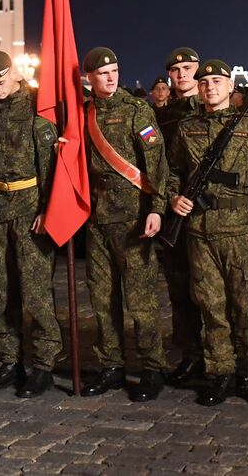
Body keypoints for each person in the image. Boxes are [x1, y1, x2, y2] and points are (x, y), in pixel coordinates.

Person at [166, 59, 248, 408]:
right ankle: (222, 372)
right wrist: (174, 197)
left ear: (231, 87)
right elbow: (171, 170)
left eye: (217, 81)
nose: (210, 87)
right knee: (211, 306)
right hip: (200, 231)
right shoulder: (186, 129)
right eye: (204, 83)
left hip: (242, 229)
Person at [77, 47, 169, 402]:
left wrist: (156, 208)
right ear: (89, 78)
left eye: (115, 70)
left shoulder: (136, 110)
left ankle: (151, 367)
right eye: (103, 73)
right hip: (98, 219)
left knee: (141, 298)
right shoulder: (84, 115)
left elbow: (156, 162)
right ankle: (111, 366)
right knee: (102, 298)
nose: (111, 77)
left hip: (133, 217)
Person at [0, 50, 62, 398]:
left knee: (36, 291)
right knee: (1, 291)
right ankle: (10, 360)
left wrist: (47, 209)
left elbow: (49, 165)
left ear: (13, 72)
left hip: (30, 210)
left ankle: (44, 364)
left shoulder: (36, 108)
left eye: (0, 80)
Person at [154, 47, 206, 385]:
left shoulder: (213, 109)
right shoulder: (163, 115)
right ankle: (191, 354)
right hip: (175, 210)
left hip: (209, 212)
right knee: (179, 287)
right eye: (176, 70)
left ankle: (223, 355)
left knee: (213, 289)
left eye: (188, 68)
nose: (182, 75)